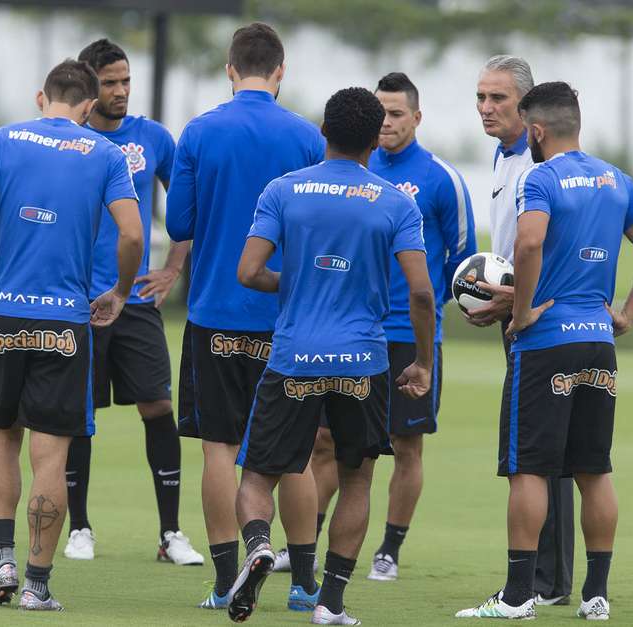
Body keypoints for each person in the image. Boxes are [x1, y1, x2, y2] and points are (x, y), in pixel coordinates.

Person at [229, 87, 435, 625]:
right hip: (363, 362)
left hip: (295, 356)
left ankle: (256, 546)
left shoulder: (283, 190)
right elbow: (420, 292)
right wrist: (423, 362)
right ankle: (332, 603)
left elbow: (249, 272)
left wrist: (296, 284)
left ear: (323, 132)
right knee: (358, 478)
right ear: (374, 140)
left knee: (257, 475)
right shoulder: (396, 201)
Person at [456, 81, 633, 621]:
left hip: (547, 343)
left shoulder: (539, 177)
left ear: (538, 131)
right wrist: (628, 313)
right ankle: (596, 596)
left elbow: (527, 243)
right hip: (598, 340)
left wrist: (521, 313)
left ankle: (519, 595)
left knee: (529, 470)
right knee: (594, 469)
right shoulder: (616, 179)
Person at [0, 59, 143, 610]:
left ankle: (1, 562)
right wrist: (121, 292)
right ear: (87, 105)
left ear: (43, 97)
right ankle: (36, 585)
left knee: (2, 437)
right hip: (64, 319)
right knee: (51, 457)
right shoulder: (105, 153)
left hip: (5, 314)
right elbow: (131, 233)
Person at [166, 22, 326, 611]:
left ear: (229, 70)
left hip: (214, 313)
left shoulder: (201, 131)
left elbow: (180, 223)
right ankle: (306, 584)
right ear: (280, 72)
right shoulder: (307, 136)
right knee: (295, 455)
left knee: (217, 448)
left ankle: (225, 577)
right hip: (287, 319)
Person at [59, 37, 202, 566]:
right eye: (109, 82)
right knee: (75, 413)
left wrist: (171, 268)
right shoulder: (68, 140)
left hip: (136, 298)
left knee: (159, 406)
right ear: (88, 85)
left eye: (125, 81)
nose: (120, 91)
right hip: (79, 302)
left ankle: (170, 534)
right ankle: (80, 528)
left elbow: (185, 211)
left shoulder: (154, 138)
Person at [355, 72, 477, 581]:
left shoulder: (440, 177)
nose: (387, 122)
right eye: (379, 112)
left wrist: (435, 305)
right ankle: (305, 543)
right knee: (335, 445)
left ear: (417, 118)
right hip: (355, 328)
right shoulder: (352, 168)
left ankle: (388, 549)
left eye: (397, 113)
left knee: (406, 446)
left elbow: (465, 259)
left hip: (411, 333)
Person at [467, 55, 575, 606]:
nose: (486, 107)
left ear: (526, 107)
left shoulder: (541, 167)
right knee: (543, 453)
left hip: (538, 318)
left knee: (539, 456)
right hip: (517, 315)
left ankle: (546, 583)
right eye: (481, 97)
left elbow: (546, 249)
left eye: (498, 99)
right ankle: (548, 579)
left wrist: (515, 300)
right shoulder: (502, 157)